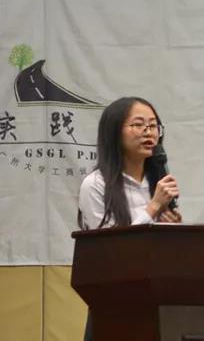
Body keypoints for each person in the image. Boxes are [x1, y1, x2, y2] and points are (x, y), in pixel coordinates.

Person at [77, 96, 182, 341]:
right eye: (138, 125)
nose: (149, 132)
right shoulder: (96, 185)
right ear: (114, 132)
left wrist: (171, 229)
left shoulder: (156, 182)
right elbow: (114, 251)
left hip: (157, 302)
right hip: (114, 305)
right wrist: (153, 208)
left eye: (153, 125)